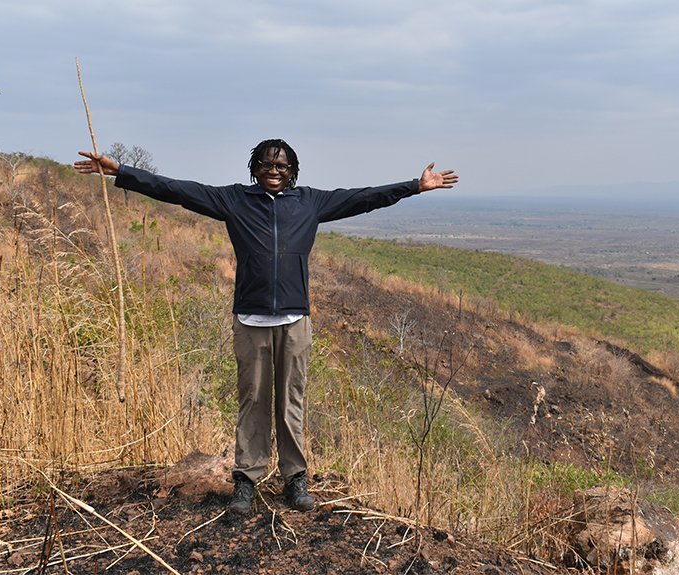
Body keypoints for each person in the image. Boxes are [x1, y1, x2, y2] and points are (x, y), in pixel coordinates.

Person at [75, 139, 458, 514]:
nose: (274, 171)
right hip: (251, 318)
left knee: (292, 400)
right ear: (254, 168)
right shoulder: (234, 200)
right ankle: (246, 479)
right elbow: (176, 190)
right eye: (266, 164)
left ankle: (295, 479)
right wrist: (120, 171)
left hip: (295, 320)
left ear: (292, 171)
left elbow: (364, 197)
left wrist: (415, 187)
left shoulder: (310, 202)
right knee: (253, 400)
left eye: (281, 166)